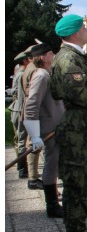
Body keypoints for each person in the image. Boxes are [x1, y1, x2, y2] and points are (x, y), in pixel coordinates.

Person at [50, 14, 87, 232]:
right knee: (77, 186)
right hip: (75, 131)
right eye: (83, 27)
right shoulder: (68, 59)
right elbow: (77, 92)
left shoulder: (74, 57)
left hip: (81, 129)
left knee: (83, 182)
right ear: (74, 32)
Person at [23, 43, 65, 218]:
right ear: (43, 57)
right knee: (51, 165)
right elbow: (31, 105)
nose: (53, 55)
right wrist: (34, 135)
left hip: (55, 128)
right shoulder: (41, 75)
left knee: (54, 165)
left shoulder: (47, 74)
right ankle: (52, 206)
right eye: (50, 53)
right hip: (49, 130)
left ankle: (55, 203)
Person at [21, 44, 44, 189]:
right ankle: (33, 178)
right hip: (37, 111)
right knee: (33, 145)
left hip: (33, 109)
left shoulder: (29, 68)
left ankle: (33, 176)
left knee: (32, 144)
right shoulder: (35, 70)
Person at [8, 51, 30, 179]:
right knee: (22, 140)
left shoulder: (19, 74)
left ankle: (20, 166)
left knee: (20, 139)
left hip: (17, 109)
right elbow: (22, 97)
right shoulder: (22, 75)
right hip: (21, 110)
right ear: (25, 61)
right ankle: (23, 170)